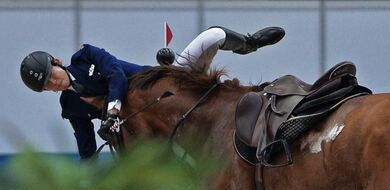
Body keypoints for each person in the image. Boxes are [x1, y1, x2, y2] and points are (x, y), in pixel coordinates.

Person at [20, 26, 285, 160]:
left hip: (167, 84)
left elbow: (115, 73)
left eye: (50, 76)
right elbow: (86, 145)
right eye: (45, 86)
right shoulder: (70, 106)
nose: (52, 84)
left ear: (57, 62)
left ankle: (250, 42)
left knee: (212, 35)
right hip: (149, 129)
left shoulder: (85, 56)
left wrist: (112, 109)